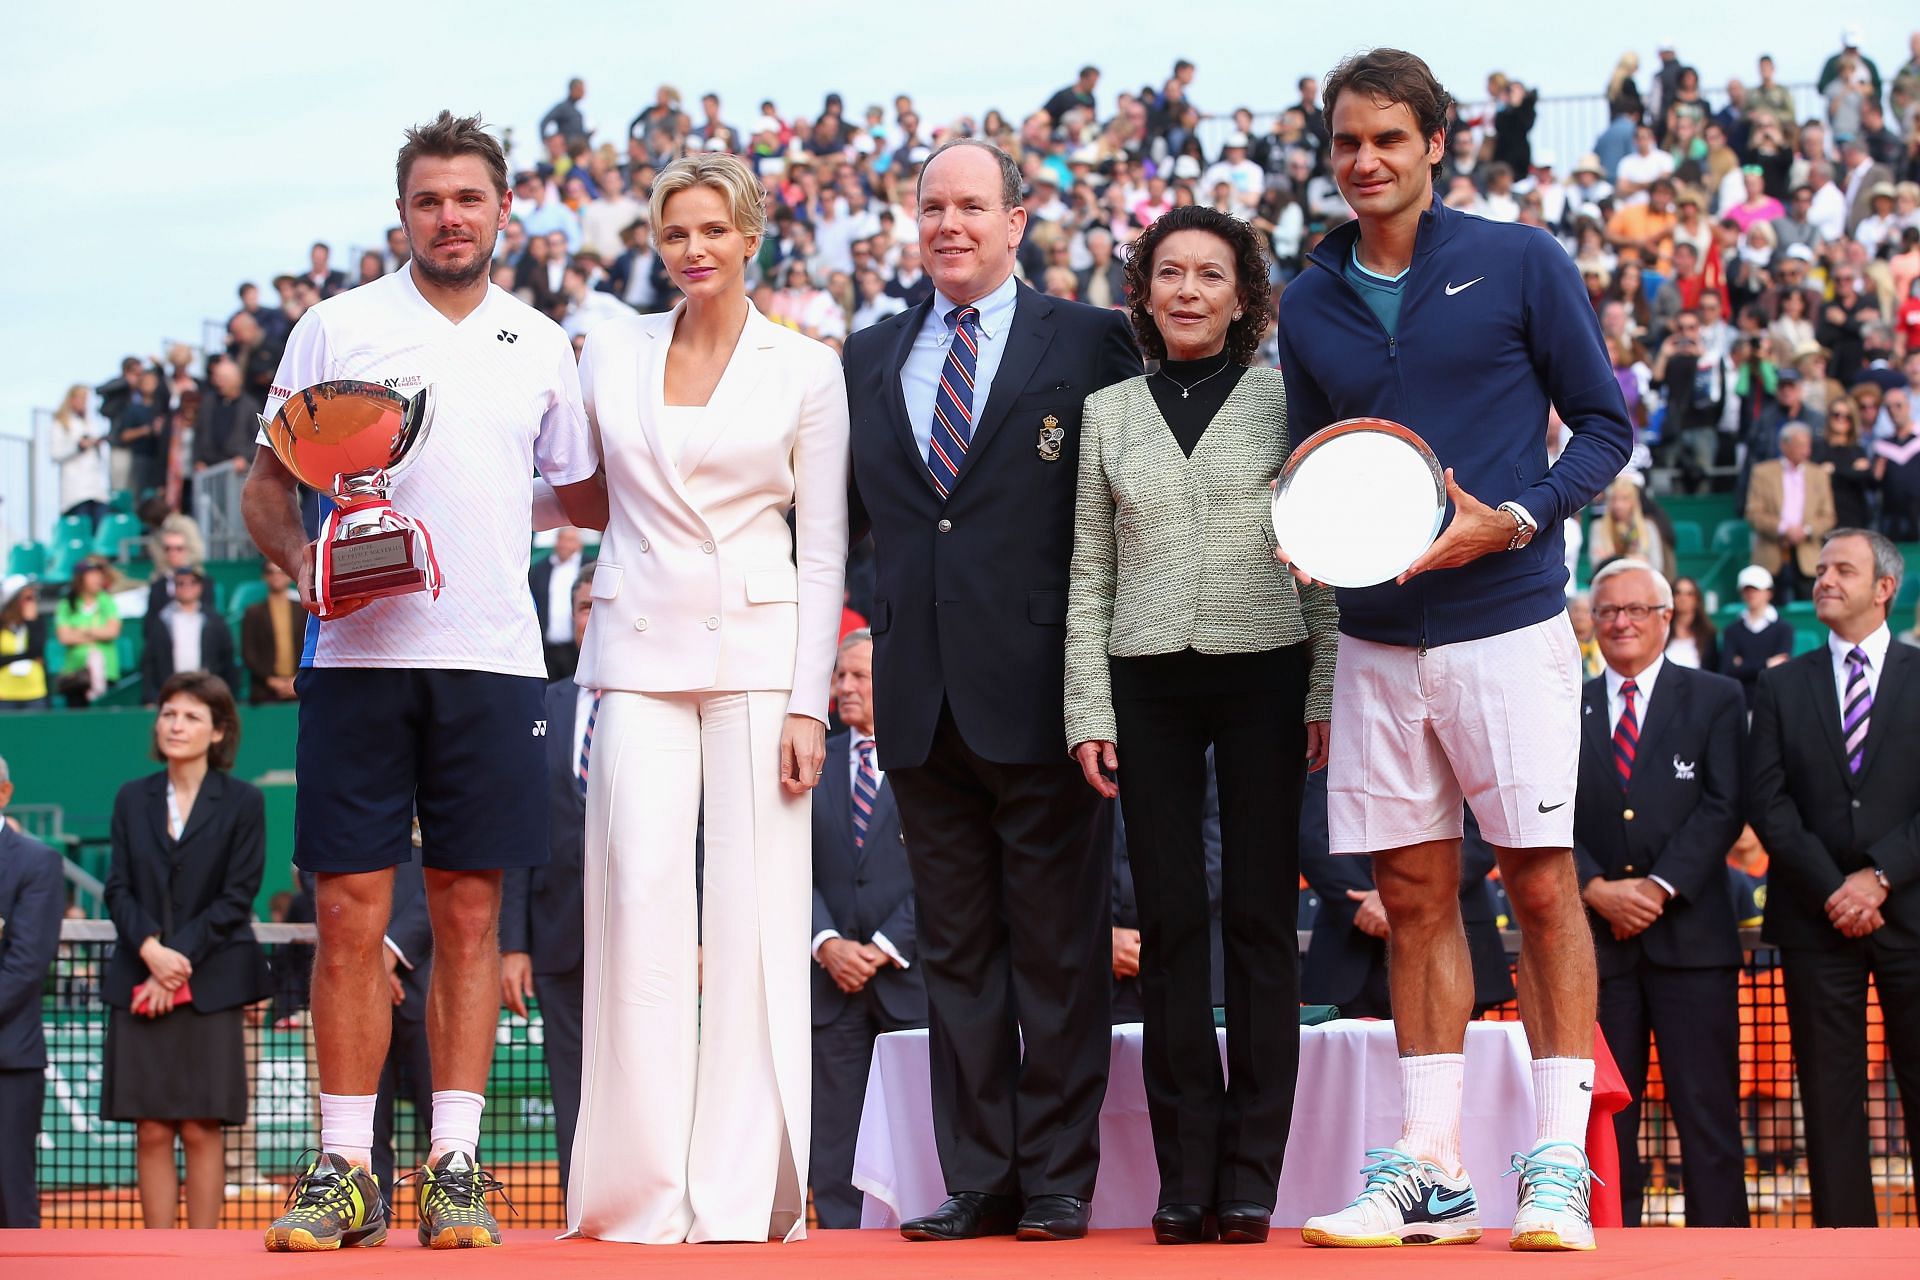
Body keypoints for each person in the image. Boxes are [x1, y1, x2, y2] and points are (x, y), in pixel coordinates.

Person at [1277, 49, 1632, 1253]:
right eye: (1343, 143)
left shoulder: (1524, 258)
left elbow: (1605, 423)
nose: (1363, 161)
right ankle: (1429, 1165)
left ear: (1438, 142)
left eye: (1386, 138)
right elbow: (1307, 454)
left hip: (1513, 620)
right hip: (1377, 640)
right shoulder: (1309, 296)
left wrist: (1514, 517)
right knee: (1416, 893)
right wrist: (1301, 531)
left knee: (1539, 882)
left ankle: (1553, 1164)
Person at [244, 111, 604, 1253]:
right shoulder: (336, 327)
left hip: (495, 660)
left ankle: (455, 1164)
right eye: (429, 199)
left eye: (469, 198)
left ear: (506, 210)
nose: (449, 217)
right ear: (400, 213)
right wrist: (306, 559)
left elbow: (582, 496)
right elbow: (265, 479)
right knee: (347, 913)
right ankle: (345, 1166)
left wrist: (496, 514)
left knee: (467, 914)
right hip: (354, 658)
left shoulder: (542, 342)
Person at [844, 137, 1141, 1243]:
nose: (950, 225)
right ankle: (980, 1175)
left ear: (1020, 220)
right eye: (932, 207)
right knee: (959, 954)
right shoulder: (867, 356)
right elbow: (839, 523)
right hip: (918, 705)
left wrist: (1108, 685)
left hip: (1052, 700)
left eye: (973, 206)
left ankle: (1059, 1176)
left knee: (1061, 948)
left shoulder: (1095, 339)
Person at [567, 151, 847, 1246]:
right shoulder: (612, 344)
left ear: (750, 237)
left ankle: (740, 1194)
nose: (692, 248)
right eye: (675, 231)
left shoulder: (805, 366)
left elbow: (823, 548)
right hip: (632, 648)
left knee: (758, 921)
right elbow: (570, 485)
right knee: (633, 903)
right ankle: (641, 1195)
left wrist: (810, 701)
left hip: (761, 658)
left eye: (712, 230)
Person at [1063, 204, 1336, 1246]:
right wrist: (1088, 703)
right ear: (1142, 292)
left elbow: (1325, 551)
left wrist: (1320, 691)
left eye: (1209, 275)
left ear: (1243, 296)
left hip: (1268, 669)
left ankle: (1251, 1172)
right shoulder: (1108, 411)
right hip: (1145, 679)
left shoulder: (1286, 402)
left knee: (1264, 920)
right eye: (1167, 272)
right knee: (1174, 927)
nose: (1186, 290)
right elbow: (1091, 568)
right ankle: (1186, 1176)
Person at [1748, 528, 1920, 1227]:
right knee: (1828, 1095)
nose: (1823, 580)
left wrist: (1879, 877)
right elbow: (1767, 799)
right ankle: (1845, 1250)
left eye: (1841, 570)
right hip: (1817, 919)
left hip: (1910, 913)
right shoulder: (1782, 681)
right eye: (1820, 570)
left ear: (1884, 588)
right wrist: (1834, 886)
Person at [1575, 559, 1749, 1228]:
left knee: (1707, 1116)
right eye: (1608, 610)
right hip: (1598, 952)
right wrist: (1595, 888)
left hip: (1694, 945)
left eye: (1636, 610)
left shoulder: (1716, 698)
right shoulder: (1565, 700)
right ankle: (1610, 1251)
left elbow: (1724, 803)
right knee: (1607, 1122)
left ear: (1666, 618)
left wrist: (1655, 887)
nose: (1620, 622)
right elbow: (1545, 808)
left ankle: (1727, 1257)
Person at [101, 672, 271, 1229]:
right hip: (140, 972)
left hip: (212, 982)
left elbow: (236, 896)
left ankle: (202, 1258)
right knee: (150, 1126)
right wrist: (151, 951)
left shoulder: (244, 802)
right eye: (169, 713)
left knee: (202, 1124)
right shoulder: (131, 797)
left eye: (192, 716)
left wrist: (172, 966)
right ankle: (155, 1258)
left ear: (219, 731)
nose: (177, 725)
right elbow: (117, 887)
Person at [808, 628, 926, 1230]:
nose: (845, 687)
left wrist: (883, 948)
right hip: (830, 984)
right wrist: (825, 941)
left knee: (923, 1129)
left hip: (909, 979)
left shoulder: (926, 757)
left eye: (859, 676)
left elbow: (946, 866)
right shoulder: (810, 756)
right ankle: (836, 1241)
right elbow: (784, 863)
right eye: (839, 676)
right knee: (831, 1134)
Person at [500, 575, 592, 1199]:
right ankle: (581, 1203)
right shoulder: (540, 708)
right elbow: (520, 828)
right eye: (585, 606)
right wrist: (514, 945)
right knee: (571, 1081)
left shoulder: (675, 703)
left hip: (655, 936)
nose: (596, 615)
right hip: (558, 937)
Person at [1299, 770, 1514, 1020]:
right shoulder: (1341, 737)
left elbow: (1485, 831)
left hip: (1452, 935)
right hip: (1350, 945)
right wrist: (1368, 903)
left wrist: (1405, 896)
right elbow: (1312, 835)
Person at [0, 753, 64, 1228]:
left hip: (9, 1060)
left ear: (4, 794)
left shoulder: (36, 862)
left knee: (9, 1195)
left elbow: (26, 966)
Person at [1746, 422, 1836, 603]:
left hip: (1808, 554)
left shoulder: (1818, 474)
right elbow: (1753, 513)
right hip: (1771, 553)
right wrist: (1784, 529)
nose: (1806, 451)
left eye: (1807, 445)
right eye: (1799, 445)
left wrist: (1806, 530)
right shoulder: (1762, 473)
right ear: (1784, 446)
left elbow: (1828, 516)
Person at [140, 567, 238, 704]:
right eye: (181, 583)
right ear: (174, 588)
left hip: (207, 693)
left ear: (200, 587)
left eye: (192, 582)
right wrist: (151, 697)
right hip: (171, 692)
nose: (187, 587)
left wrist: (229, 695)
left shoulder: (215, 620)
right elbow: (150, 661)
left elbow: (226, 658)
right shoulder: (162, 620)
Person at [1721, 564, 1795, 710]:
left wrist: (1743, 666)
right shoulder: (1732, 630)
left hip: (1773, 704)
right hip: (1741, 704)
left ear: (1769, 593)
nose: (1751, 594)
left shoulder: (1784, 629)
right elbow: (1728, 670)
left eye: (1756, 589)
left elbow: (1779, 670)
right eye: (1746, 590)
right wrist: (1766, 664)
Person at [53, 557, 122, 707]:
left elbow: (112, 631)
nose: (98, 578)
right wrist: (97, 633)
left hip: (106, 673)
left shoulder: (107, 601)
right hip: (75, 676)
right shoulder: (67, 604)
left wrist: (81, 631)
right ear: (80, 578)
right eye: (92, 574)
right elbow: (64, 637)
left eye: (99, 574)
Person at [529, 526, 593, 680]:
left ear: (579, 544)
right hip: (547, 649)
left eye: (570, 540)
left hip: (577, 648)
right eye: (561, 540)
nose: (564, 544)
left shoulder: (590, 567)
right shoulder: (540, 569)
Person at [239, 561, 302, 704]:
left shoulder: (303, 611)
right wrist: (271, 680)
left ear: (288, 576)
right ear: (264, 577)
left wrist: (297, 680)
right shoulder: (253, 612)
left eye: (281, 572)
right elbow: (248, 653)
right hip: (264, 690)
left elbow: (312, 647)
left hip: (300, 688)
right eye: (271, 572)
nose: (276, 577)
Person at [50, 383, 111, 529]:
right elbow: (55, 454)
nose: (84, 403)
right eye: (81, 399)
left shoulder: (92, 423)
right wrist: (79, 447)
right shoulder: (61, 423)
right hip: (76, 490)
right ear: (71, 400)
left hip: (96, 489)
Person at [1586, 475, 1668, 577]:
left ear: (1634, 502)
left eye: (1624, 499)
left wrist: (1613, 558)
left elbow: (1656, 565)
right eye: (1614, 499)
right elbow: (1597, 564)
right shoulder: (1597, 527)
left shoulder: (1648, 527)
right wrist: (1637, 560)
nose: (1618, 505)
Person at [0, 578, 49, 710]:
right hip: (4, 693)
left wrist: (31, 623)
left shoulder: (37, 623)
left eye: (33, 597)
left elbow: (36, 650)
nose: (32, 602)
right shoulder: (2, 625)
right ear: (14, 600)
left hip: (34, 692)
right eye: (27, 598)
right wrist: (26, 656)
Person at [1664, 575, 1719, 671]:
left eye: (1689, 594)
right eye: (1678, 592)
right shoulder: (1662, 631)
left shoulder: (1708, 634)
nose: (1683, 598)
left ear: (1697, 599)